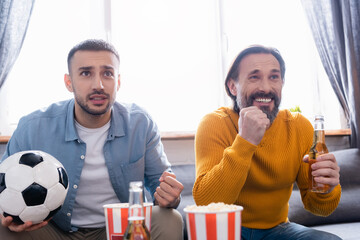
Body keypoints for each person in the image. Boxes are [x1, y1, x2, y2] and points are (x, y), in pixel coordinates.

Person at [0, 39, 184, 240]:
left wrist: (170, 197)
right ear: (69, 82)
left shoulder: (141, 124)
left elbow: (164, 188)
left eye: (108, 73)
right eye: (86, 73)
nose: (99, 85)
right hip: (54, 231)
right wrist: (7, 214)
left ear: (118, 82)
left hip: (120, 230)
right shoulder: (31, 127)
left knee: (170, 218)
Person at [193, 45, 342, 240]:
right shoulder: (214, 124)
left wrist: (327, 189)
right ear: (232, 86)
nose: (266, 87)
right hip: (228, 230)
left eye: (274, 77)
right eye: (254, 77)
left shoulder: (298, 127)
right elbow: (206, 203)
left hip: (278, 230)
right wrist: (245, 141)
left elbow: (319, 209)